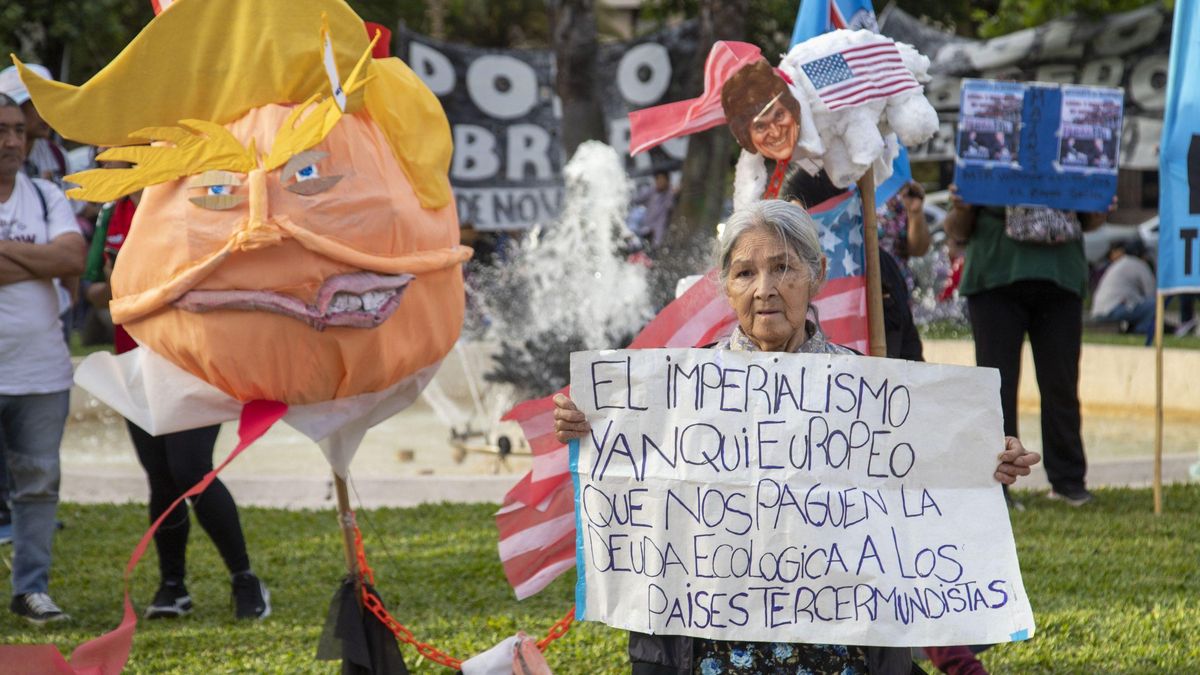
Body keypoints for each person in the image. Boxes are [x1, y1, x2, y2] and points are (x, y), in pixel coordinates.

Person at [552, 200, 1042, 674]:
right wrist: (588, 425)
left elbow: (926, 485)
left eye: (783, 268)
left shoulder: (872, 389)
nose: (764, 289)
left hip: (841, 651)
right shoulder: (678, 391)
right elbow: (637, 477)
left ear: (817, 274)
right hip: (711, 650)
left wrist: (986, 460)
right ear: (726, 287)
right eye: (745, 273)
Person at [84, 176, 270, 620]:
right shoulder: (112, 211)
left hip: (191, 359)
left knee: (190, 470)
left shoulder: (188, 200)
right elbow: (92, 291)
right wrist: (115, 284)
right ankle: (173, 586)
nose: (105, 155)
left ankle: (245, 579)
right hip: (135, 362)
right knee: (161, 477)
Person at [943, 191, 1113, 507]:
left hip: (1057, 276)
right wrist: (962, 206)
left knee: (1060, 384)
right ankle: (997, 486)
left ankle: (1068, 482)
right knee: (996, 390)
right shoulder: (982, 163)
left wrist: (1098, 204)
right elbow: (957, 228)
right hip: (996, 274)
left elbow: (1091, 220)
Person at [0, 93, 85, 624]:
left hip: (40, 374)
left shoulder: (47, 195)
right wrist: (40, 261)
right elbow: (55, 259)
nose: (12, 141)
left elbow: (72, 257)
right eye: (0, 130)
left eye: (17, 130)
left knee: (37, 486)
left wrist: (9, 253)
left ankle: (30, 590)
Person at [1090, 240, 1157, 344]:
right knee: (1154, 305)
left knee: (1139, 305)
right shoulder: (1139, 264)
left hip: (1099, 310)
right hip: (1114, 310)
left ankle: (1132, 330)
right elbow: (1151, 293)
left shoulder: (1119, 263)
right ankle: (1139, 332)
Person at [631, 171, 676, 249]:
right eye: (658, 180)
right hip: (647, 227)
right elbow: (637, 199)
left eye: (663, 180)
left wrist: (672, 192)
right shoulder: (651, 191)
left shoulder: (670, 194)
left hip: (659, 228)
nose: (660, 182)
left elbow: (670, 206)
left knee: (656, 246)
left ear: (667, 181)